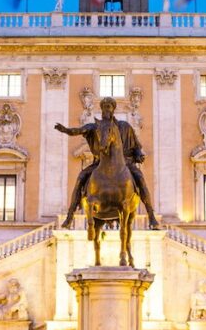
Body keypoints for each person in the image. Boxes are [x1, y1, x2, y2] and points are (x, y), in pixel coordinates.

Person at [55, 97, 159, 232]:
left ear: (113, 109)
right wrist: (65, 130)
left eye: (109, 107)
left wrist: (138, 154)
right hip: (99, 163)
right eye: (104, 107)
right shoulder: (95, 127)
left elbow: (136, 145)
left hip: (125, 163)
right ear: (101, 109)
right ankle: (69, 217)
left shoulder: (124, 127)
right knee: (81, 177)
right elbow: (79, 130)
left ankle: (151, 216)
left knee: (140, 178)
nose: (106, 109)